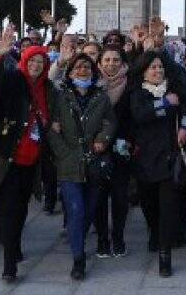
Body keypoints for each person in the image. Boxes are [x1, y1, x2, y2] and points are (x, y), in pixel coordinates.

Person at [0, 36, 53, 282]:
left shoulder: (47, 88)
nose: (35, 65)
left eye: (40, 61)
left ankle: (15, 246)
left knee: (22, 208)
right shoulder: (14, 79)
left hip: (32, 160)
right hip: (8, 156)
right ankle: (9, 263)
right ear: (24, 61)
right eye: (31, 60)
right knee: (9, 207)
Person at [49, 51, 116, 280]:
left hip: (94, 161)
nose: (82, 70)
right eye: (78, 67)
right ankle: (79, 258)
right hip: (69, 162)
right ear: (70, 72)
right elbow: (53, 129)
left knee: (89, 209)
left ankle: (77, 236)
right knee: (75, 209)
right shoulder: (61, 96)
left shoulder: (101, 96)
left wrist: (103, 139)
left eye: (87, 67)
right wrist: (64, 154)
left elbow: (110, 122)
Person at [131, 51, 186, 277]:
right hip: (145, 158)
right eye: (152, 68)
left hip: (169, 157)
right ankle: (154, 233)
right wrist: (164, 103)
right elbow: (140, 115)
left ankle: (165, 255)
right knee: (149, 205)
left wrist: (185, 127)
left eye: (160, 67)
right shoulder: (137, 92)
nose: (157, 71)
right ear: (144, 71)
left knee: (168, 208)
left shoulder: (175, 89)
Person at [92, 46, 131, 258]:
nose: (111, 64)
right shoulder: (91, 85)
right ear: (99, 63)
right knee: (98, 196)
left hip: (123, 149)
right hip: (98, 148)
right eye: (106, 60)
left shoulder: (130, 84)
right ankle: (101, 239)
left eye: (116, 60)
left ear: (123, 63)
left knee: (120, 197)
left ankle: (118, 237)